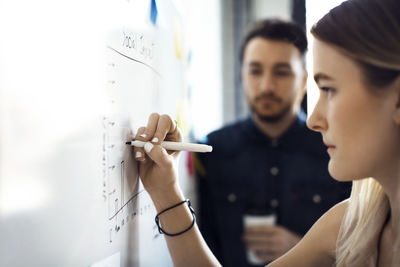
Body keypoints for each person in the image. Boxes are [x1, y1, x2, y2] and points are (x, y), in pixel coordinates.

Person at [132, 0, 400, 266]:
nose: (314, 120)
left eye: (329, 89)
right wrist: (166, 191)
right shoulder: (352, 227)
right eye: (255, 70)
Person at [194, 19, 350, 266]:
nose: (266, 86)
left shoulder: (336, 151)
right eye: (255, 71)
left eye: (281, 72)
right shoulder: (212, 150)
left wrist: (305, 250)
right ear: (242, 76)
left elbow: (360, 248)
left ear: (302, 81)